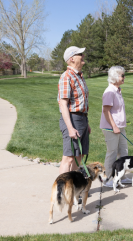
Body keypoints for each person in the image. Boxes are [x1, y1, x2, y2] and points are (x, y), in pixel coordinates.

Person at [58, 46, 91, 174]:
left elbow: (81, 103)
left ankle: (73, 188)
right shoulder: (67, 77)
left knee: (80, 156)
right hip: (72, 119)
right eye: (80, 54)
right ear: (71, 59)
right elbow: (63, 104)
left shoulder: (79, 76)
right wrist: (70, 128)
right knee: (69, 158)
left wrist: (86, 123)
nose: (83, 56)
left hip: (82, 119)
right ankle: (62, 191)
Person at [100, 66, 131, 187]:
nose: (124, 77)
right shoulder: (109, 91)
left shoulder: (117, 90)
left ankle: (121, 176)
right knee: (112, 152)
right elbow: (106, 111)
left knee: (123, 151)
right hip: (111, 128)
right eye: (122, 75)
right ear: (114, 77)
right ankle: (108, 178)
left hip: (120, 127)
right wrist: (114, 126)